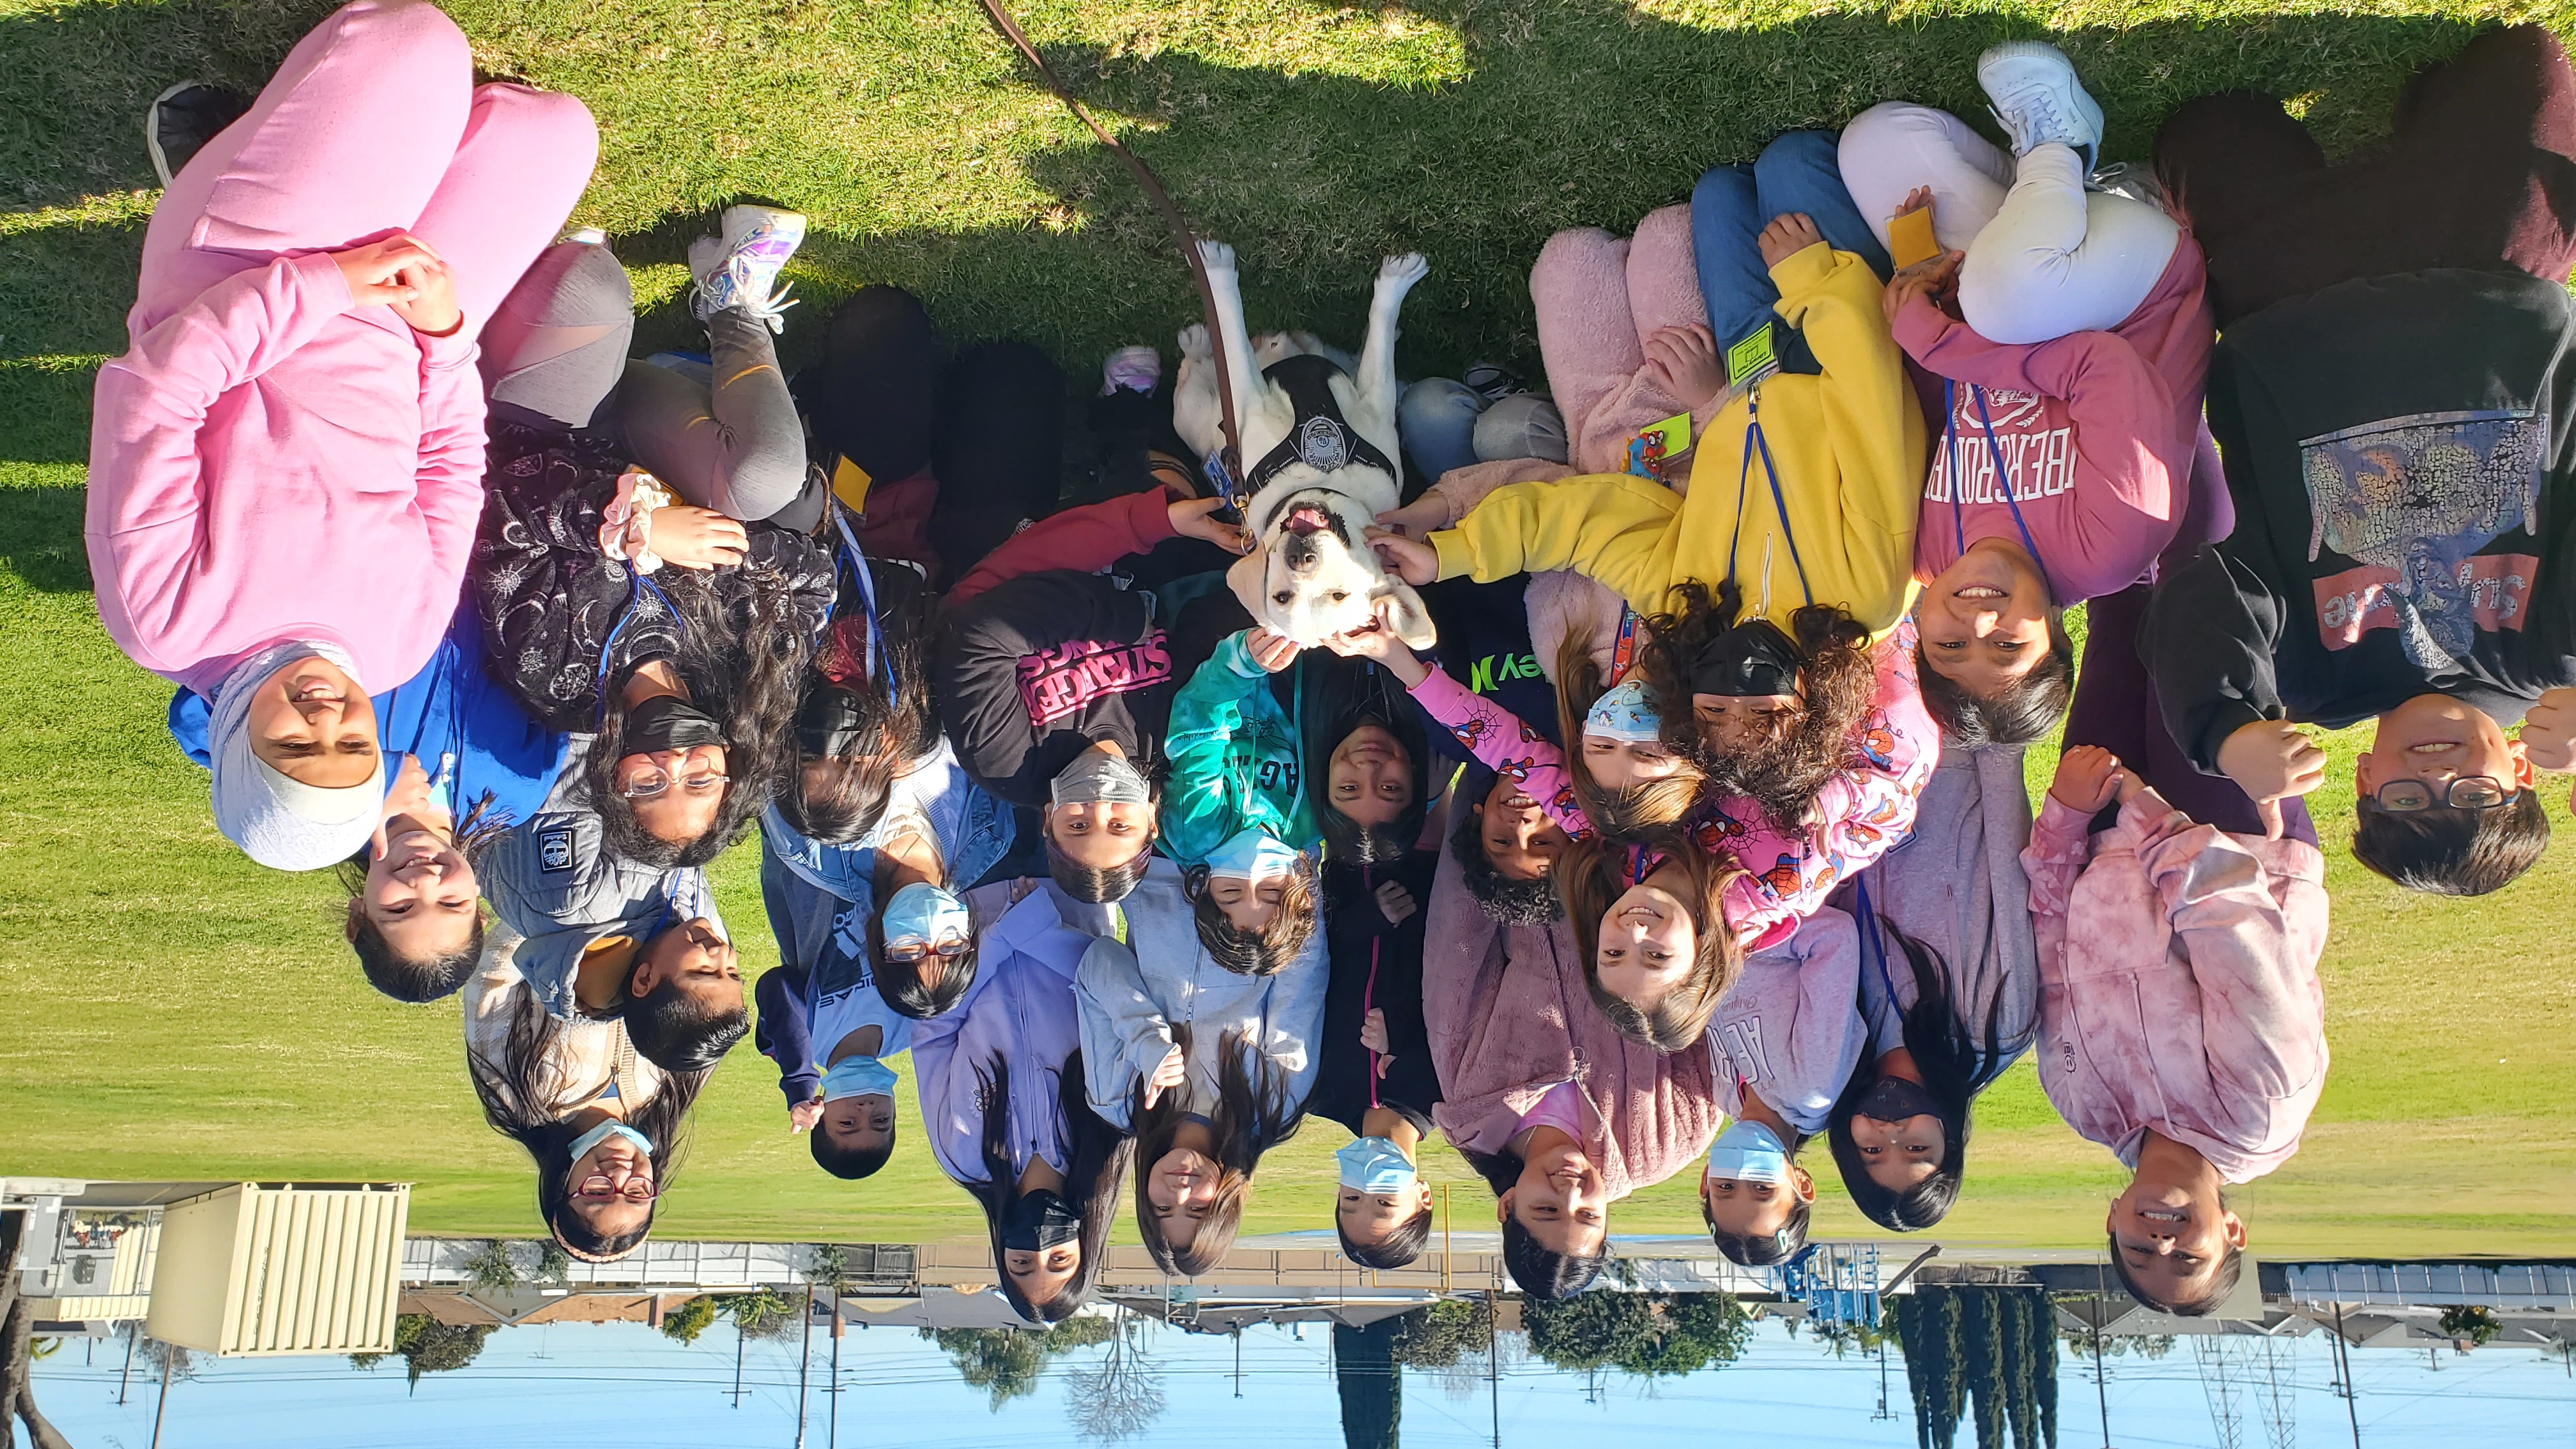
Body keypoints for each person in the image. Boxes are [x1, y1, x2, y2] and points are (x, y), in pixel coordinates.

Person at [86, 0, 594, 870]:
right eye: (352, 746)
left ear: (238, 747)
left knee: (416, 44)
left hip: (253, 272)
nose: (327, 718)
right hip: (407, 325)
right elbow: (449, 473)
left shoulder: (165, 624)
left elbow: (155, 393)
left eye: (293, 746)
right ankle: (305, 146)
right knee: (551, 131)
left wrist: (328, 283)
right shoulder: (396, 649)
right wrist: (446, 334)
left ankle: (227, 155)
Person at [2145, 25, 2576, 895]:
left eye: (2407, 799)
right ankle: (2431, 135)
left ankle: (2410, 153)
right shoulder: (2553, 656)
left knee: (2205, 128)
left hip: (2291, 305)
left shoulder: (2309, 681)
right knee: (2525, 63)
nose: (2436, 774)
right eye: (2472, 796)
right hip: (2488, 283)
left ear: (2366, 782)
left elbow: (2198, 600)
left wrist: (2226, 732)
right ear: (2521, 771)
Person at [1366, 135, 1924, 643]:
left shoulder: (1685, 612)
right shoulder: (1858, 609)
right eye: (1757, 710)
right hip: (1826, 360)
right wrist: (1814, 278)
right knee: (1778, 166)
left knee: (1718, 193)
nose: (1735, 698)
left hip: (1745, 375)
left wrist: (1448, 553)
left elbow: (1583, 523)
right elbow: (1875, 420)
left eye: (1713, 709)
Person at [1836, 41, 2218, 743]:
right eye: (2008, 646)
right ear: (2059, 636)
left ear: (1919, 630)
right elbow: (2100, 365)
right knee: (2006, 297)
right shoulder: (2109, 547)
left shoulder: (1930, 553)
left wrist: (1921, 285)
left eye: (1951, 646)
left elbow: (1946, 407)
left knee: (1875, 143)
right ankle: (2061, 145)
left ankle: (2053, 195)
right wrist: (1936, 339)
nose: (1978, 620)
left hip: (2010, 293)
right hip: (2134, 292)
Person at [470, 229, 836, 870]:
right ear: (729, 769)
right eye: (699, 781)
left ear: (614, 782)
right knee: (766, 480)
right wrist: (720, 545)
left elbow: (501, 513)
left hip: (560, 432)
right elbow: (814, 580)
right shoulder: (750, 680)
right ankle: (729, 300)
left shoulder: (555, 680)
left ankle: (558, 332)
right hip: (660, 435)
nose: (674, 762)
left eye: (650, 786)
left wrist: (638, 531)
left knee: (590, 282)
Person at [2023, 743, 2330, 1315]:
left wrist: (2064, 824)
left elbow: (2051, 956)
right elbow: (2233, 920)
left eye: (2139, 1252)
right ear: (2232, 1231)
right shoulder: (2261, 1116)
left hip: (2100, 825)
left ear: (2112, 1222)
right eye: (2188, 1258)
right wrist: (2141, 805)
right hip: (2230, 834)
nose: (2162, 1243)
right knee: (2205, 688)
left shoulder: (2084, 1107)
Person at [165, 597, 569, 1000]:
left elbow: (200, 715)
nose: (425, 883)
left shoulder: (309, 802)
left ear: (358, 916)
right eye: (451, 903)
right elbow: (559, 661)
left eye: (400, 909)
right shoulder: (520, 788)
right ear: (480, 910)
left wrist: (362, 789)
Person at [1422, 832, 1721, 1298]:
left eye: (1546, 1210)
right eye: (1587, 1215)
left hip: (1534, 850)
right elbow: (1714, 1004)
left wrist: (1486, 836)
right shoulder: (1671, 1142)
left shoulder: (1472, 1106)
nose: (1571, 1192)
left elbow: (1457, 951)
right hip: (1661, 860)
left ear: (1508, 1206)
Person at [1825, 741, 2039, 1232]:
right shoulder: (1998, 1028)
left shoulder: (1838, 1046)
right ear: (1950, 1139)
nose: (1891, 1131)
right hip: (1948, 753)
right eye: (1917, 1147)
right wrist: (1998, 746)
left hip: (1856, 759)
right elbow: (2011, 879)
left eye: (1872, 1150)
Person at [1075, 861, 1325, 1276]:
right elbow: (1301, 979)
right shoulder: (1275, 1105)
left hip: (1155, 865)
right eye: (1197, 1208)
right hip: (1250, 874)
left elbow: (1098, 960)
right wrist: (1297, 874)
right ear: (1227, 1200)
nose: (1179, 1191)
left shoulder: (1116, 1099)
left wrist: (1146, 1038)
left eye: (1163, 1207)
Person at [912, 873, 1132, 1322]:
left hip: (966, 902)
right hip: (1066, 888)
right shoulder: (1110, 1131)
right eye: (1059, 1260)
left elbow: (933, 1030)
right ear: (1084, 1248)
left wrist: (999, 939)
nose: (1040, 1249)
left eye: (1023, 1264)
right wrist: (1039, 929)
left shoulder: (962, 1157)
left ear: (1002, 1255)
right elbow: (1114, 994)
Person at [477, 756, 748, 1073]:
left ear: (644, 980)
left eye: (704, 971)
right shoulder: (684, 928)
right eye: (733, 973)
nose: (722, 953)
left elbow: (563, 759)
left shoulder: (567, 899)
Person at [466, 924, 702, 1262]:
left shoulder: (515, 1095)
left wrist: (569, 920)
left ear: (561, 1186)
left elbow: (491, 979)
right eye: (637, 1193)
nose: (620, 1176)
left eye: (598, 1192)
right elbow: (708, 1004)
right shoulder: (667, 1100)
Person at [1307, 849, 1442, 1270]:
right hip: (1428, 866)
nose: (1366, 1186)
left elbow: (1306, 969)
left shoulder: (1317, 1090)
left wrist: (1364, 919)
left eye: (1351, 1198)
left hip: (1351, 862)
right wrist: (1403, 1034)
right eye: (1384, 1202)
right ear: (1423, 1196)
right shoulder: (1448, 1095)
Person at [752, 838, 917, 1181]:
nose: (866, 1109)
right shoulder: (914, 1026)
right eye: (880, 1121)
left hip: (809, 853)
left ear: (820, 1112)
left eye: (848, 1123)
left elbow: (777, 987)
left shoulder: (802, 1045)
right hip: (885, 850)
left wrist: (799, 1082)